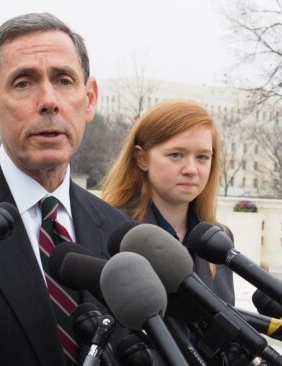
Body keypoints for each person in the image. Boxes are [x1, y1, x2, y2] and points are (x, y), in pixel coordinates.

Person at [0, 13, 130, 365]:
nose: (49, 101)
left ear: (90, 98)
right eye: (24, 82)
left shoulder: (120, 234)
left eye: (64, 80)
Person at [101, 99, 235, 305]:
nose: (191, 169)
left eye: (202, 157)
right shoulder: (109, 226)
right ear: (141, 158)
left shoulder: (220, 237)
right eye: (176, 155)